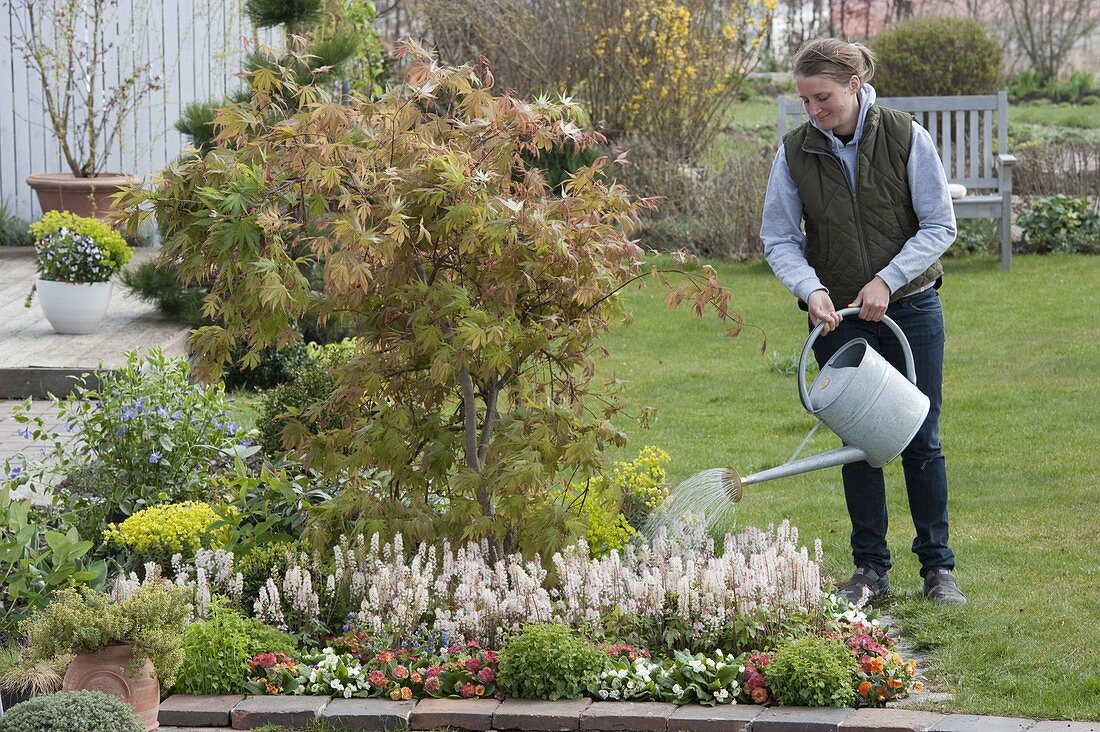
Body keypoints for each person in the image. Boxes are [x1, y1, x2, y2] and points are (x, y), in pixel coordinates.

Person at [759, 37, 966, 605]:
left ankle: (938, 570)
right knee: (858, 443)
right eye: (804, 101)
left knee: (922, 436)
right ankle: (870, 571)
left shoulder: (904, 135)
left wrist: (887, 280)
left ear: (854, 84)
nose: (814, 112)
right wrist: (812, 290)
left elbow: (939, 225)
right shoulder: (796, 151)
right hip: (839, 319)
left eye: (822, 98)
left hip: (912, 308)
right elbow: (778, 237)